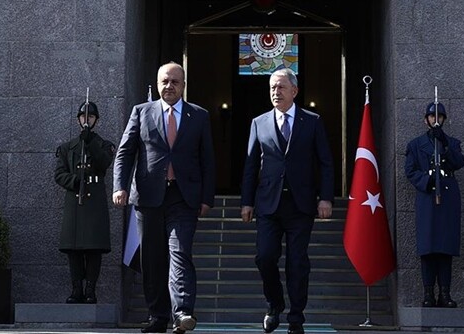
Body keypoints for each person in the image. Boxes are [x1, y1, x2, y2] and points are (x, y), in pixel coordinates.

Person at [113, 62, 215, 334]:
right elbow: (125, 152)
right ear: (158, 84)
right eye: (164, 82)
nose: (169, 86)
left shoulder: (199, 116)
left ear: (183, 85)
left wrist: (207, 197)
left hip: (183, 197)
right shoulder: (141, 112)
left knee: (180, 252)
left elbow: (207, 160)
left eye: (175, 82)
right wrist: (119, 186)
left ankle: (182, 312)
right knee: (153, 259)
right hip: (148, 197)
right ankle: (157, 316)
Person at [240, 68, 334, 334]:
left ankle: (296, 318)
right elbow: (250, 165)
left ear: (294, 91)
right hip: (268, 204)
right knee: (265, 257)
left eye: (280, 87)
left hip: (301, 204)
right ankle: (275, 304)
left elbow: (326, 162)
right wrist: (247, 201)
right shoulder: (259, 122)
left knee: (297, 262)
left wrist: (325, 197)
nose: (275, 92)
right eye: (271, 88)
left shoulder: (312, 121)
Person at [404, 102, 464, 308]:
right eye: (431, 117)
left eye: (439, 117)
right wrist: (427, 181)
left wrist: (445, 144)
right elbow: (410, 170)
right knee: (428, 248)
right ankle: (428, 293)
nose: (435, 120)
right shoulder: (415, 144)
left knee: (445, 247)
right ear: (426, 120)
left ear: (444, 120)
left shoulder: (452, 143)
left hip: (447, 198)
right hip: (428, 197)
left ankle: (445, 293)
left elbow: (458, 162)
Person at [54, 101, 116, 304]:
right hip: (75, 200)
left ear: (96, 120)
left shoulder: (104, 145)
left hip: (94, 200)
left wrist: (90, 142)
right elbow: (59, 174)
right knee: (74, 248)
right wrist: (74, 181)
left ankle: (90, 289)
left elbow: (104, 163)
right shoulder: (67, 148)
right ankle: (76, 289)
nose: (86, 120)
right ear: (78, 119)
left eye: (90, 117)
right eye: (83, 117)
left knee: (93, 248)